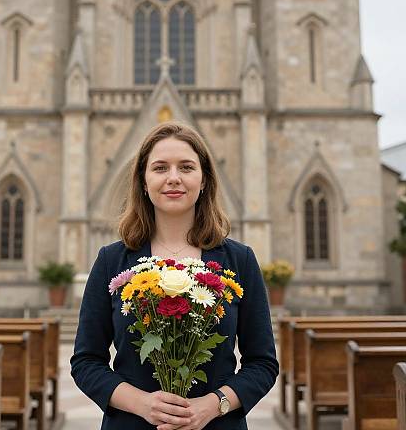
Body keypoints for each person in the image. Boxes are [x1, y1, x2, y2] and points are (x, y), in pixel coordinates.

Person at [70, 121, 278, 430]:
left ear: (204, 179)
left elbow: (262, 363)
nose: (173, 178)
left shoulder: (240, 260)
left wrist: (213, 405)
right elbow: (86, 361)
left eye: (186, 167)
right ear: (142, 180)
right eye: (160, 168)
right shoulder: (111, 261)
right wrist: (144, 404)